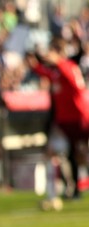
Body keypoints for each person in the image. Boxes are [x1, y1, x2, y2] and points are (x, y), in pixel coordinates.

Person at [27, 38, 89, 208]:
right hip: (63, 123)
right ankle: (53, 196)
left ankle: (72, 190)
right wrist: (35, 65)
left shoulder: (69, 67)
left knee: (80, 156)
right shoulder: (56, 72)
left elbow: (77, 88)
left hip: (79, 120)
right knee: (54, 153)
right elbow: (47, 74)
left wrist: (59, 62)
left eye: (52, 52)